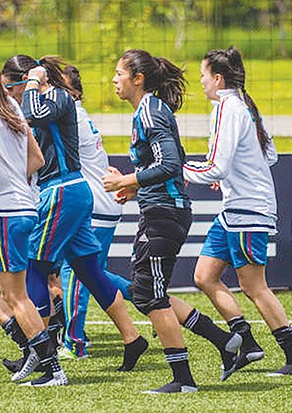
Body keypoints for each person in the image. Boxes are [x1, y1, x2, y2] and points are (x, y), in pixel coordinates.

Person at [1, 55, 148, 381]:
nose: (12, 94)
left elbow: (32, 113)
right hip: (75, 193)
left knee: (33, 269)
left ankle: (42, 355)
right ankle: (133, 338)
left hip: (63, 192)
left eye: (12, 87)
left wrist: (33, 83)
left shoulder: (53, 96)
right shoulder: (52, 98)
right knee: (89, 270)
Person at [183, 46, 292, 376]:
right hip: (235, 210)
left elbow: (216, 167)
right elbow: (269, 156)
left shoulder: (228, 108)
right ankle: (248, 344)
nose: (201, 82)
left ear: (218, 78)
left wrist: (174, 169)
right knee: (204, 276)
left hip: (248, 211)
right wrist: (232, 172)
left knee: (254, 287)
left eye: (202, 76)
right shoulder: (243, 106)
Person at [0, 54, 67, 386]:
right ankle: (29, 345)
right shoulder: (10, 105)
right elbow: (36, 158)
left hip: (5, 212)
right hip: (17, 208)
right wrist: (13, 184)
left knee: (15, 297)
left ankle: (52, 368)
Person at [102, 49, 199, 393]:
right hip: (159, 208)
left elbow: (171, 164)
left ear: (137, 78)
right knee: (146, 293)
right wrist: (133, 190)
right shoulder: (148, 110)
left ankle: (184, 380)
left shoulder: (151, 112)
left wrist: (127, 181)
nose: (114, 79)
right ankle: (227, 342)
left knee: (150, 295)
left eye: (118, 73)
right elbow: (163, 166)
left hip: (166, 212)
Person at [57, 65, 135, 362]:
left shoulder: (70, 118)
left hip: (96, 207)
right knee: (94, 273)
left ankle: (75, 343)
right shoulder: (75, 114)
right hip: (101, 203)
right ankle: (152, 302)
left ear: (74, 94)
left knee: (76, 272)